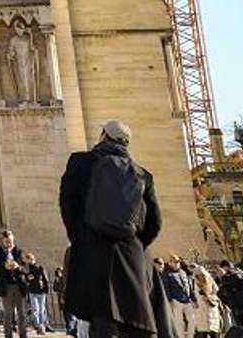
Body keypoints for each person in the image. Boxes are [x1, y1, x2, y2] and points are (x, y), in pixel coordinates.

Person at [59, 120, 162, 338]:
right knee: (135, 321)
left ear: (104, 135)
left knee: (101, 321)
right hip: (130, 254)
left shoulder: (81, 162)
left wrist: (80, 239)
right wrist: (134, 245)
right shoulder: (143, 174)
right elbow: (154, 223)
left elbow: (68, 205)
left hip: (93, 252)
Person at [0, 230, 31, 338]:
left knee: (22, 314)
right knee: (8, 314)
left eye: (10, 241)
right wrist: (4, 266)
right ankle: (8, 335)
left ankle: (23, 335)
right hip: (6, 286)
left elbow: (26, 268)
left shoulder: (19, 251)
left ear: (13, 240)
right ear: (2, 241)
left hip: (19, 286)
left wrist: (18, 267)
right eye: (6, 242)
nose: (8, 244)